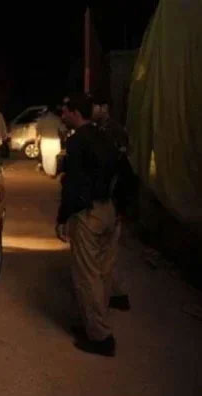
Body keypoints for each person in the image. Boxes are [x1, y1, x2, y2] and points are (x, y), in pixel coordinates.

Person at [56, 93, 120, 357]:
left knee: (87, 276)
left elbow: (73, 185)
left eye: (65, 111)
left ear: (75, 113)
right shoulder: (104, 136)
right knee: (103, 273)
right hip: (110, 211)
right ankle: (95, 324)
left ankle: (100, 337)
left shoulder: (77, 142)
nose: (62, 115)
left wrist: (62, 218)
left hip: (89, 213)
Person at [93, 100, 134, 311]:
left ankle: (110, 298)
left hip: (113, 201)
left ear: (106, 108)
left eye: (97, 107)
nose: (93, 111)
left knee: (106, 257)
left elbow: (121, 173)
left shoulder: (113, 132)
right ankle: (115, 294)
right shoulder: (101, 129)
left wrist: (119, 207)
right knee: (106, 257)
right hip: (111, 200)